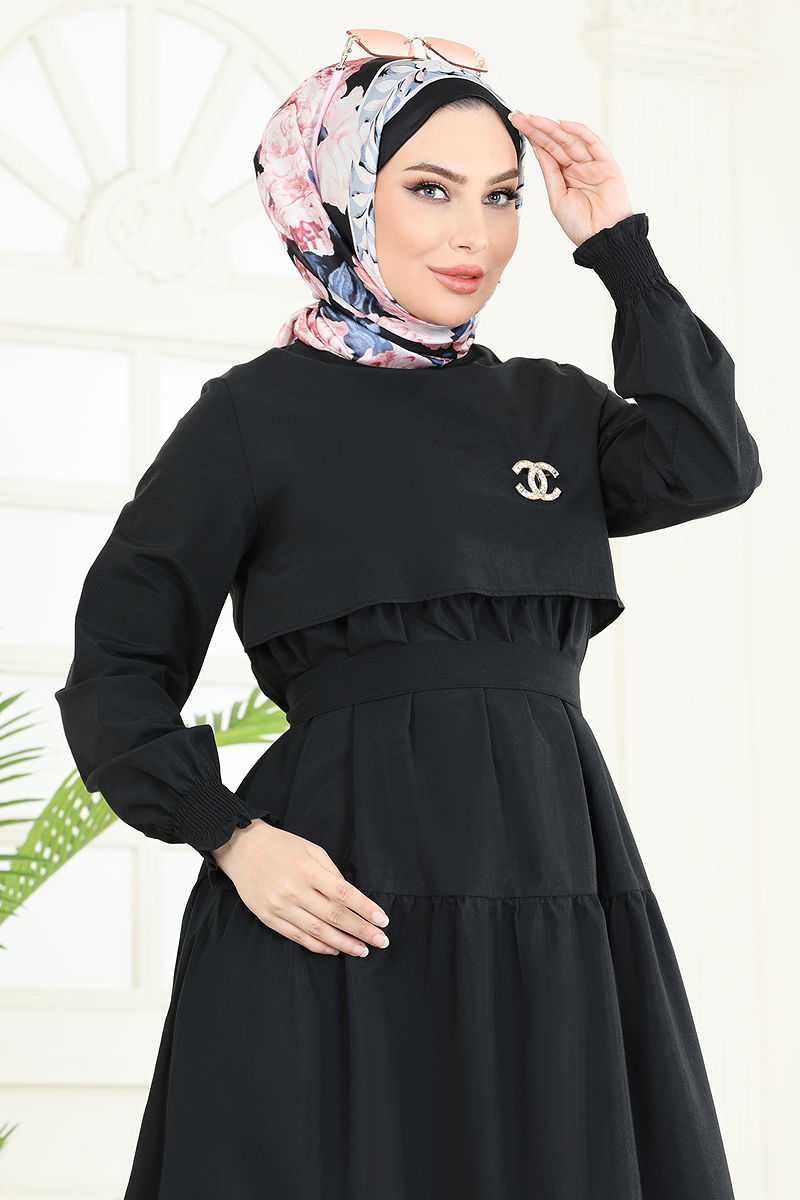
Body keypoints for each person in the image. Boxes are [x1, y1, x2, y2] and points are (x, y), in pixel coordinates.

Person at [54, 46, 762, 1200]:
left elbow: (708, 462)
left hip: (551, 885)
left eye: (501, 197)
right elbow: (116, 666)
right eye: (429, 189)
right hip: (337, 907)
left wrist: (617, 246)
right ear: (339, 193)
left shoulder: (551, 408)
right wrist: (228, 835)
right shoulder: (250, 419)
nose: (471, 236)